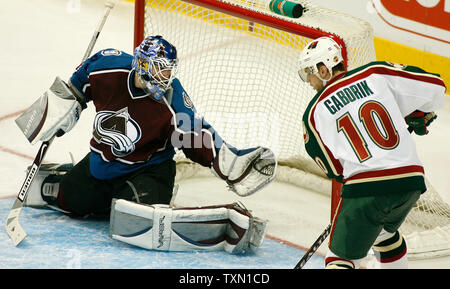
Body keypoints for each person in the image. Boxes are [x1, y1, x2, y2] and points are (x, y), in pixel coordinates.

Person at [20, 35, 276, 253]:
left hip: (148, 171)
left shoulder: (172, 98)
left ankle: (155, 196)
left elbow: (197, 134)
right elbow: (81, 79)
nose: (165, 77)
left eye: (168, 70)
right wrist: (67, 103)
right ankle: (79, 183)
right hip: (102, 165)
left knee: (132, 221)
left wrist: (231, 162)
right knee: (69, 201)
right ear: (142, 64)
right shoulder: (107, 70)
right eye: (160, 69)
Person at [297, 36, 446, 269]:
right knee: (383, 237)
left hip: (366, 189)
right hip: (410, 182)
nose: (308, 80)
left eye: (309, 72)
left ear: (324, 68)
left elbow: (337, 171)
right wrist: (417, 112)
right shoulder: (375, 73)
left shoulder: (313, 114)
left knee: (340, 260)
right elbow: (436, 86)